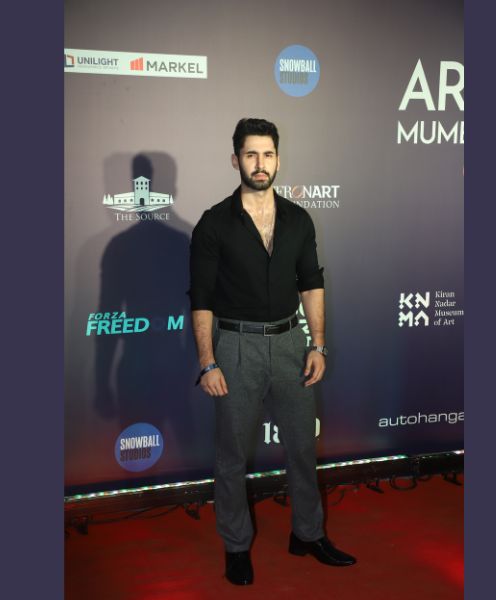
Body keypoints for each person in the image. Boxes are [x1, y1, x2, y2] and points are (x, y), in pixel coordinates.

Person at [188, 118, 356, 586]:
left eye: (267, 154)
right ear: (236, 160)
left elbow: (312, 284)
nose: (260, 164)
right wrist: (207, 361)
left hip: (290, 344)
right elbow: (201, 298)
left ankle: (308, 534)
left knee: (302, 447)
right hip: (235, 346)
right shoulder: (214, 223)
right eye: (251, 154)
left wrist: (318, 344)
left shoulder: (299, 220)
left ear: (278, 159)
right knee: (232, 456)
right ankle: (236, 546)